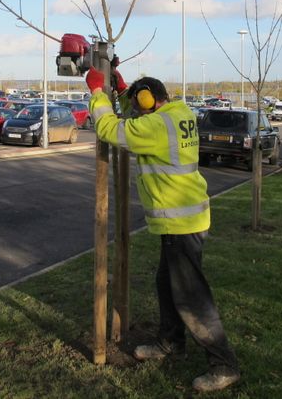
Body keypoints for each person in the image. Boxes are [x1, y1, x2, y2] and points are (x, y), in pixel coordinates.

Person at [85, 66, 240, 393]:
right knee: (166, 284)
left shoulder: (156, 126)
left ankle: (224, 364)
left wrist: (98, 93)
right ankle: (171, 342)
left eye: (138, 107)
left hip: (181, 223)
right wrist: (124, 87)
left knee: (191, 297)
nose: (137, 115)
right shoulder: (177, 112)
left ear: (149, 101)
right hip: (186, 219)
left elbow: (111, 129)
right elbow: (138, 119)